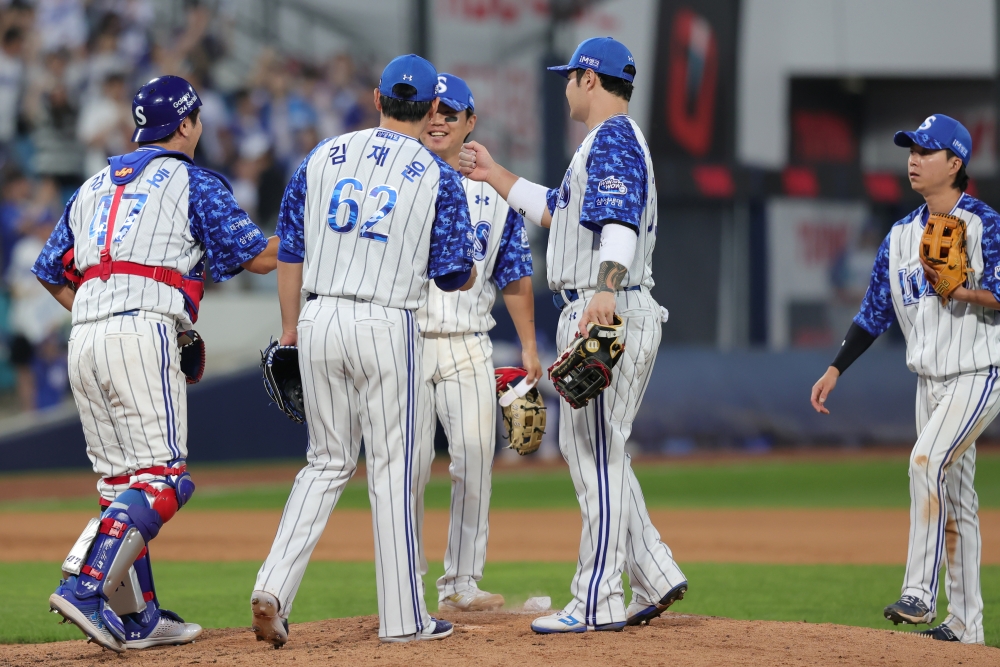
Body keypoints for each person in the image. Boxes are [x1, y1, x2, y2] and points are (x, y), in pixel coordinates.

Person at [34, 75, 278, 652]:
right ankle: (88, 589)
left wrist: (100, 311)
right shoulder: (192, 179)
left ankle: (138, 617)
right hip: (141, 332)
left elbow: (49, 269)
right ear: (188, 124)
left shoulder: (92, 184)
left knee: (120, 481)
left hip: (85, 334)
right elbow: (259, 257)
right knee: (165, 478)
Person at [458, 37, 687, 633]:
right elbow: (563, 212)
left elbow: (617, 224)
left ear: (589, 78)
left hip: (604, 307)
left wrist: (606, 292)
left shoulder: (610, 138)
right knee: (601, 452)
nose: (564, 87)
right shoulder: (611, 143)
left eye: (570, 77)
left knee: (594, 459)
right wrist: (495, 175)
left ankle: (596, 599)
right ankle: (655, 572)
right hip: (609, 303)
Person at [250, 54, 475, 646]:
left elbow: (291, 250)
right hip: (384, 321)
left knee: (325, 462)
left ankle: (272, 585)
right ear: (431, 109)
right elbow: (456, 276)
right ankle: (404, 619)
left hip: (319, 316)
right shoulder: (437, 174)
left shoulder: (321, 156)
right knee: (394, 469)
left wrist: (290, 329)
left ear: (377, 97)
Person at [811, 114, 996, 645]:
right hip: (929, 381)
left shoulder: (985, 224)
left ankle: (918, 590)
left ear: (955, 164)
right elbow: (874, 313)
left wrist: (962, 294)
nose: (913, 158)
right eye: (911, 149)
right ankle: (965, 627)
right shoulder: (899, 237)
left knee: (925, 460)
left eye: (926, 150)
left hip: (979, 370)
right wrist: (835, 368)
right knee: (957, 502)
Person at [413, 73, 538, 613]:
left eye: (451, 111)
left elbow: (513, 273)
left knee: (474, 458)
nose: (438, 118)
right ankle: (402, 586)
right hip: (407, 339)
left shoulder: (496, 189)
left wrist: (531, 345)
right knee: (409, 466)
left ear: (471, 123)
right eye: (431, 109)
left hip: (468, 338)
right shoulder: (397, 178)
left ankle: (461, 583)